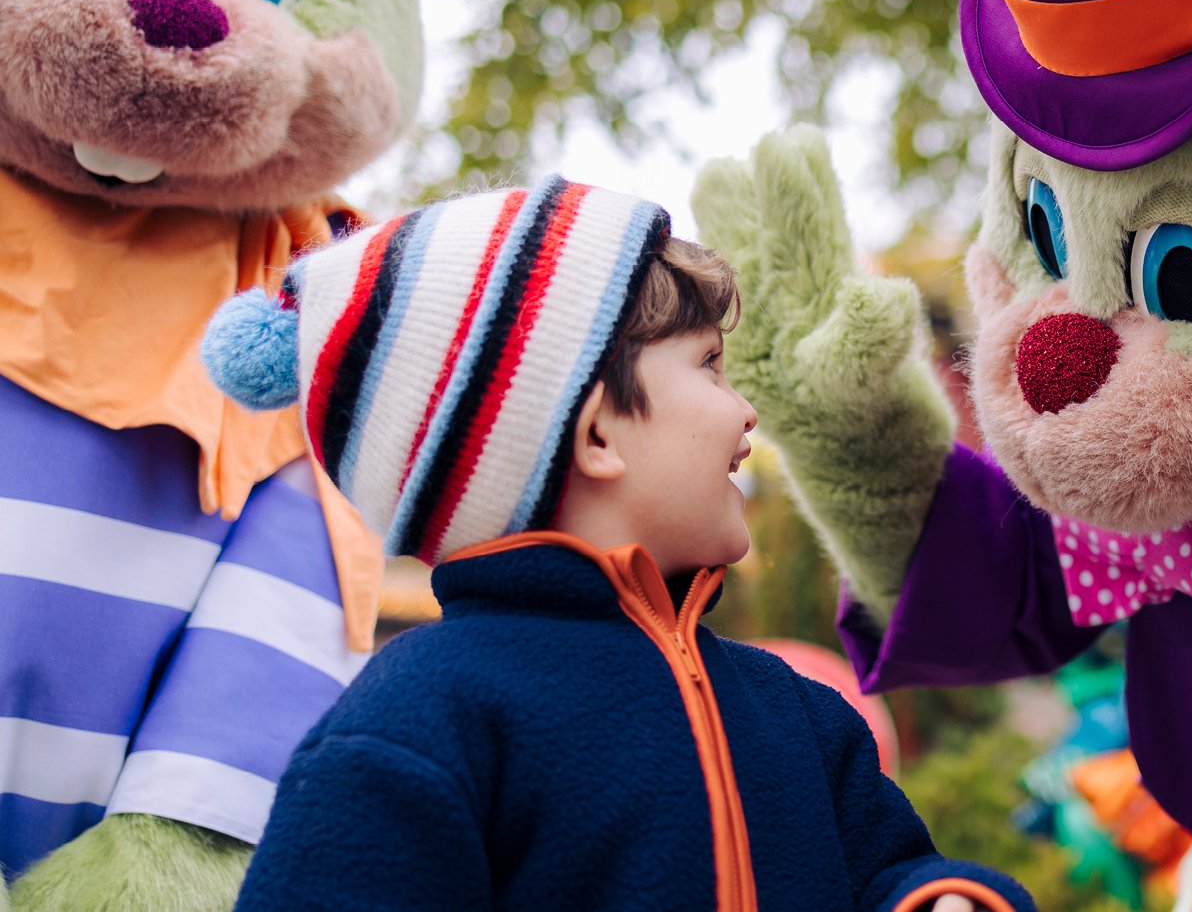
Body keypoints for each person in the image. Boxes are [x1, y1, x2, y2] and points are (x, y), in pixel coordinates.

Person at [199, 178, 1031, 912]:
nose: (746, 412)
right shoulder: (422, 720)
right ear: (597, 432)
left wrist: (941, 898)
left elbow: (890, 872)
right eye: (710, 365)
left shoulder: (796, 712)